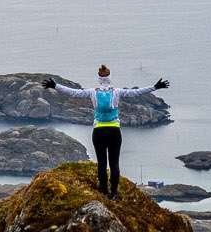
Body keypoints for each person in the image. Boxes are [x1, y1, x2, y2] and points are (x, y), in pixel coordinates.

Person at [43, 65, 169, 199]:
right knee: (114, 164)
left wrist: (55, 85)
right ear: (109, 77)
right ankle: (114, 193)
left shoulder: (93, 92)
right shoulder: (117, 92)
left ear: (99, 78)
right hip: (114, 131)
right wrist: (155, 87)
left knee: (102, 163)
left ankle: (103, 191)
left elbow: (73, 92)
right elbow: (136, 92)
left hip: (99, 131)